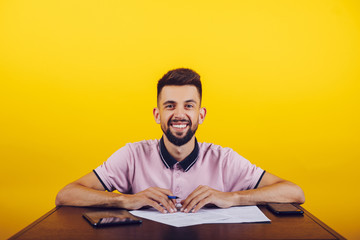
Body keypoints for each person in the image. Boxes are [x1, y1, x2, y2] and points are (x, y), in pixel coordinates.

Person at [56, 68, 305, 214]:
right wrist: (124, 199)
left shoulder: (224, 159)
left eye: (189, 106)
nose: (179, 114)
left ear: (201, 114)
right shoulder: (131, 155)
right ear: (157, 114)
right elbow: (66, 194)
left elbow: (294, 192)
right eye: (169, 106)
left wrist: (234, 198)